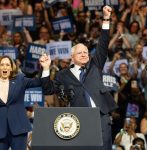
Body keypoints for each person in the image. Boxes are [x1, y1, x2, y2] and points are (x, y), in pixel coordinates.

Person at [41, 5, 117, 150]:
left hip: (101, 116)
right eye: (80, 52)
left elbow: (103, 44)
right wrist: (45, 69)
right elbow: (48, 89)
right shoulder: (63, 75)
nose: (84, 54)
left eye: (86, 52)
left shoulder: (95, 66)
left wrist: (106, 19)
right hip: (80, 118)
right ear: (72, 56)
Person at [0, 55, 49, 150]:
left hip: (19, 128)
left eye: (7, 64)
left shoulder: (19, 79)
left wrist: (45, 67)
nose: (5, 67)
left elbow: (38, 82)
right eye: (2, 65)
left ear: (11, 67)